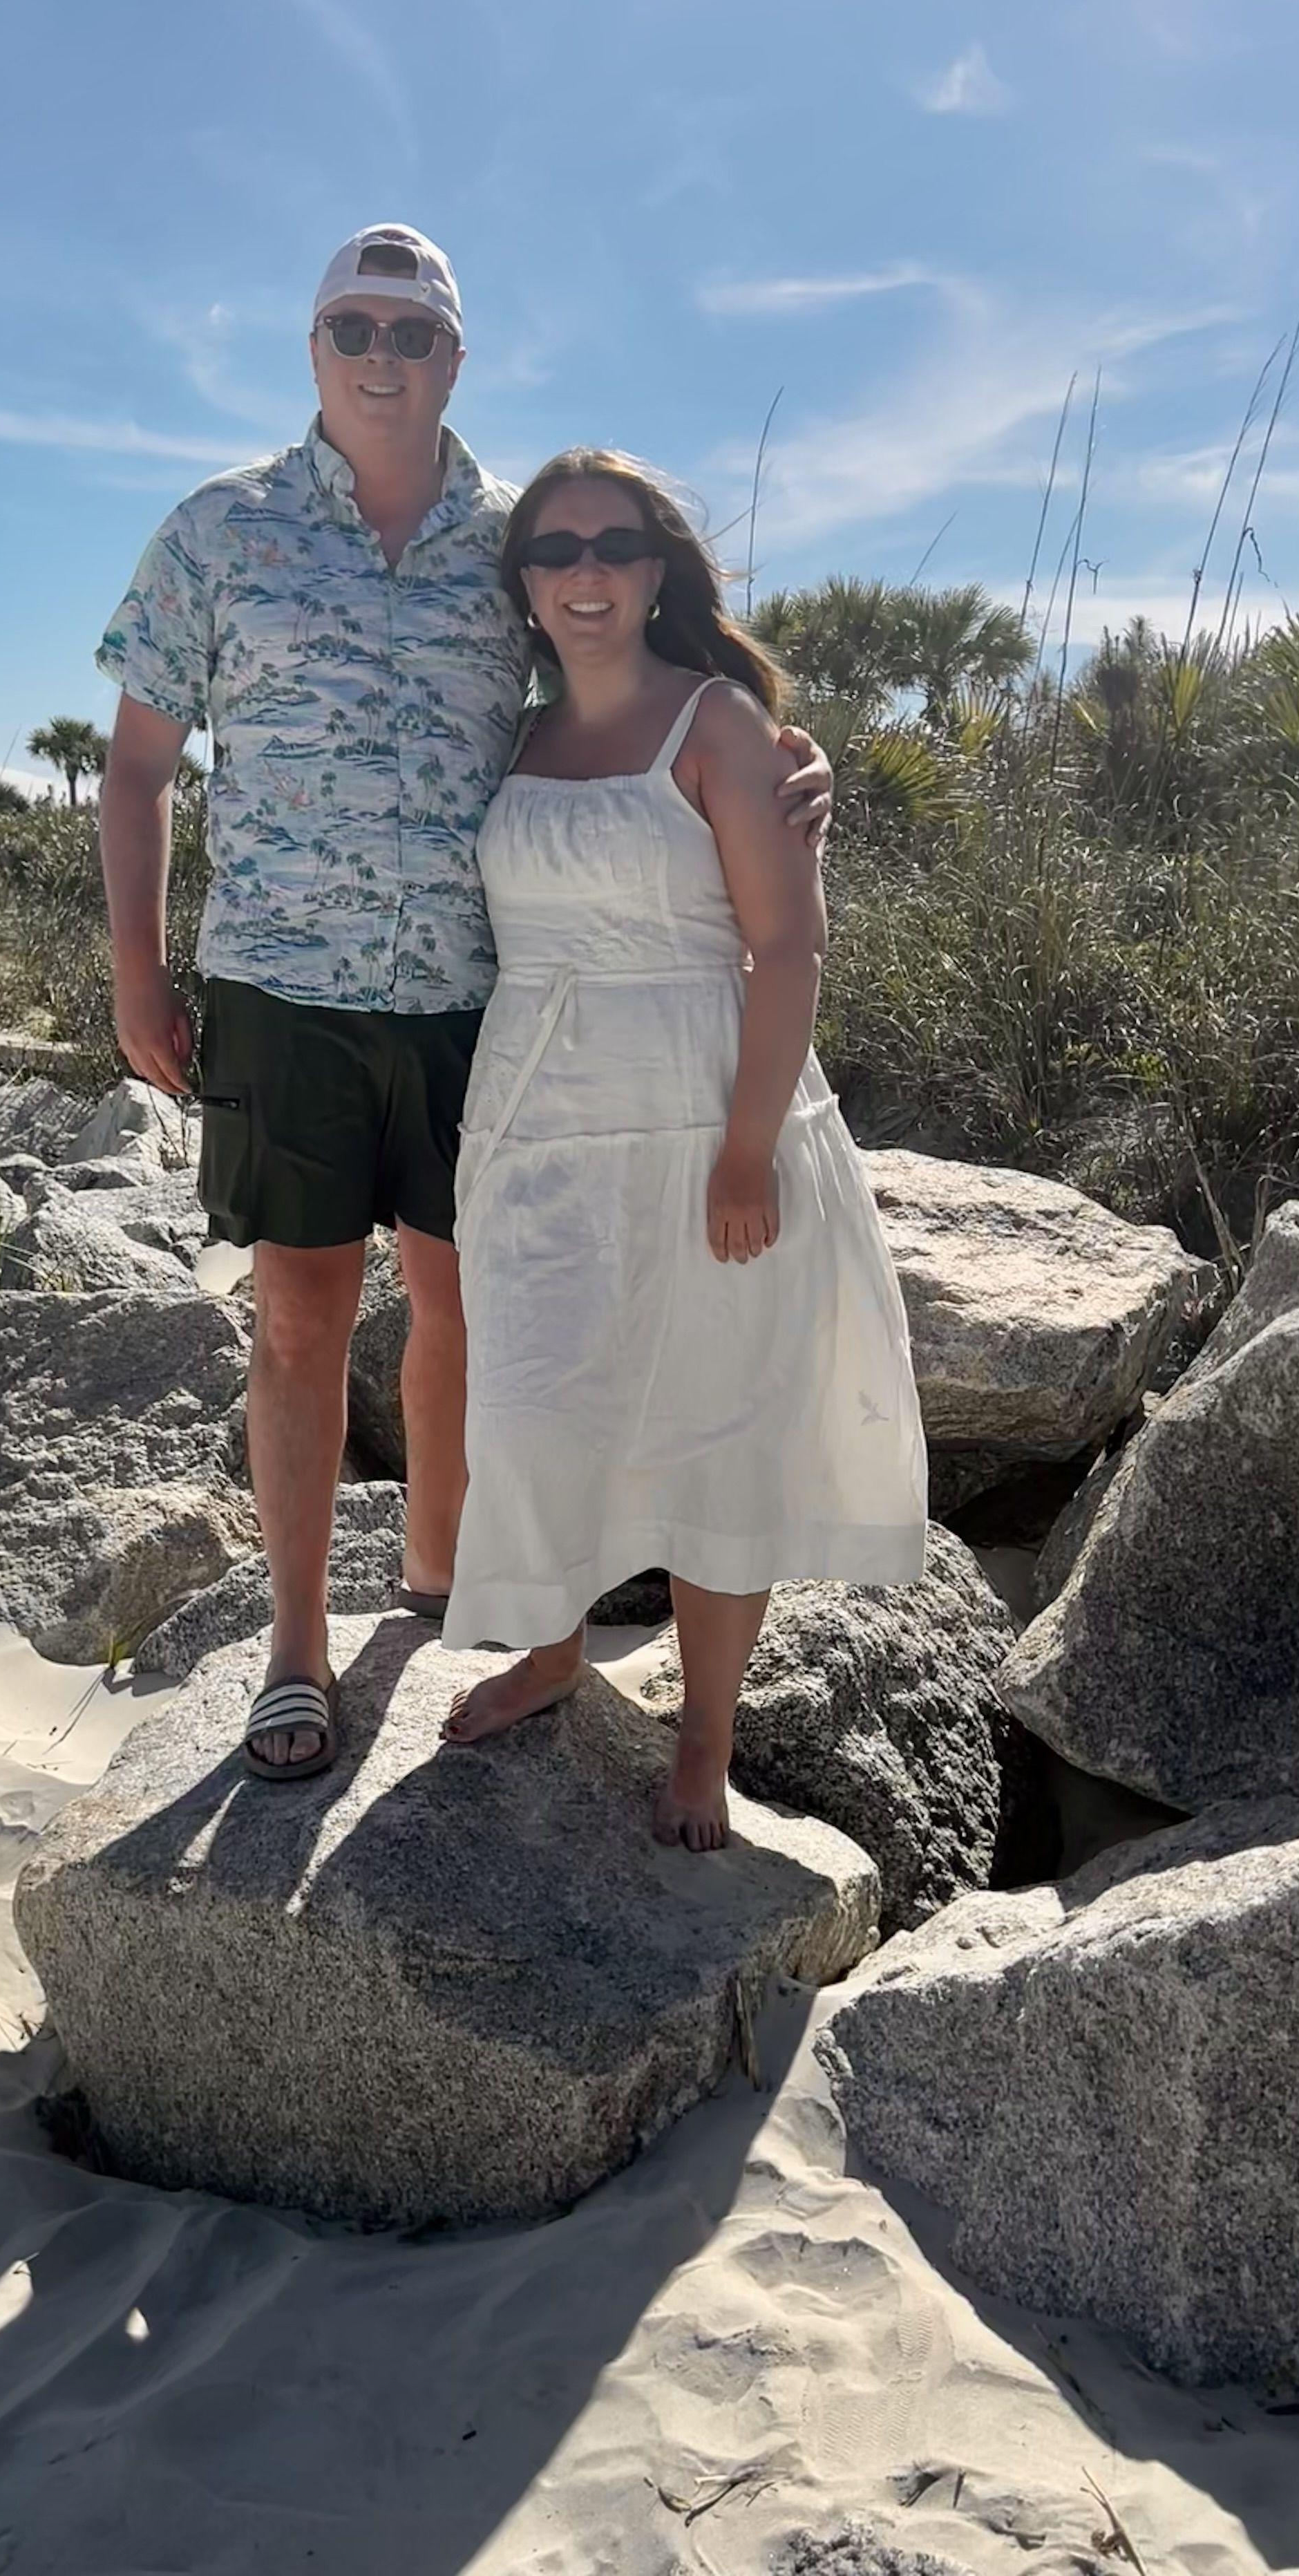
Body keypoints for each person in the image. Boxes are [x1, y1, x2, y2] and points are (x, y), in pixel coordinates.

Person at [94, 226, 836, 1780]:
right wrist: (138, 972)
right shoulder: (215, 532)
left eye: (413, 333)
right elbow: (142, 767)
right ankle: (298, 1653)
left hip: (483, 1005)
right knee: (300, 1321)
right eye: (354, 328)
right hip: (281, 989)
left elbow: (627, 683)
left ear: (454, 357)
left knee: (467, 1307)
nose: (383, 357)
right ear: (314, 348)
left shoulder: (518, 544)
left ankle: (439, 1591)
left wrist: (782, 753)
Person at [438, 448, 929, 1848]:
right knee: (535, 1408)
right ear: (525, 587)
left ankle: (705, 1731)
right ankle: (552, 1652)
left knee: (719, 1428)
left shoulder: (717, 722)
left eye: (613, 545)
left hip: (705, 1110)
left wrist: (747, 1152)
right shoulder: (511, 738)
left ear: (657, 572)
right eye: (554, 551)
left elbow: (789, 949)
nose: (584, 573)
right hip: (537, 1123)